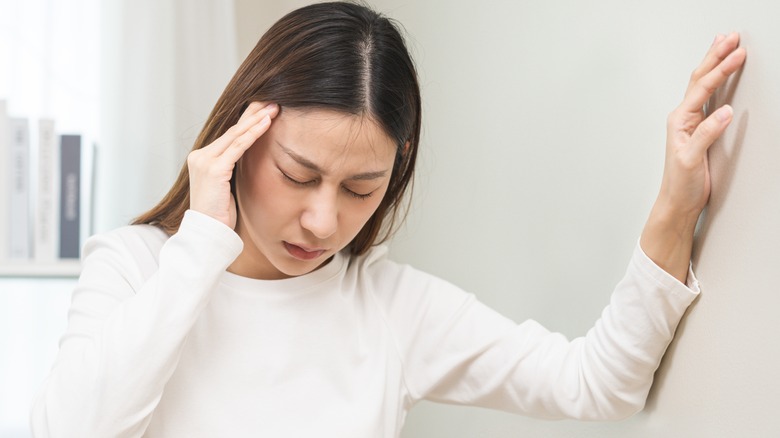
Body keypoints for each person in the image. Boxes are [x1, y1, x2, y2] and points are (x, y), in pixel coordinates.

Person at [30, 2, 746, 437]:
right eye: (298, 174)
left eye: (361, 188)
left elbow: (596, 384)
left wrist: (676, 206)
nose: (321, 218)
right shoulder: (135, 267)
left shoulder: (391, 307)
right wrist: (199, 249)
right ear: (239, 137)